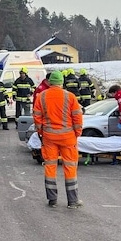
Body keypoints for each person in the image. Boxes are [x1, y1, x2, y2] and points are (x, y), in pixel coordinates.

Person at [33, 70, 84, 208]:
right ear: (62, 82)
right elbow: (77, 118)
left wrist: (41, 131)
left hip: (49, 137)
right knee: (70, 168)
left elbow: (37, 117)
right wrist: (77, 133)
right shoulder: (70, 96)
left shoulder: (41, 96)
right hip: (68, 138)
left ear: (50, 82)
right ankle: (72, 201)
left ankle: (52, 199)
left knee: (50, 167)